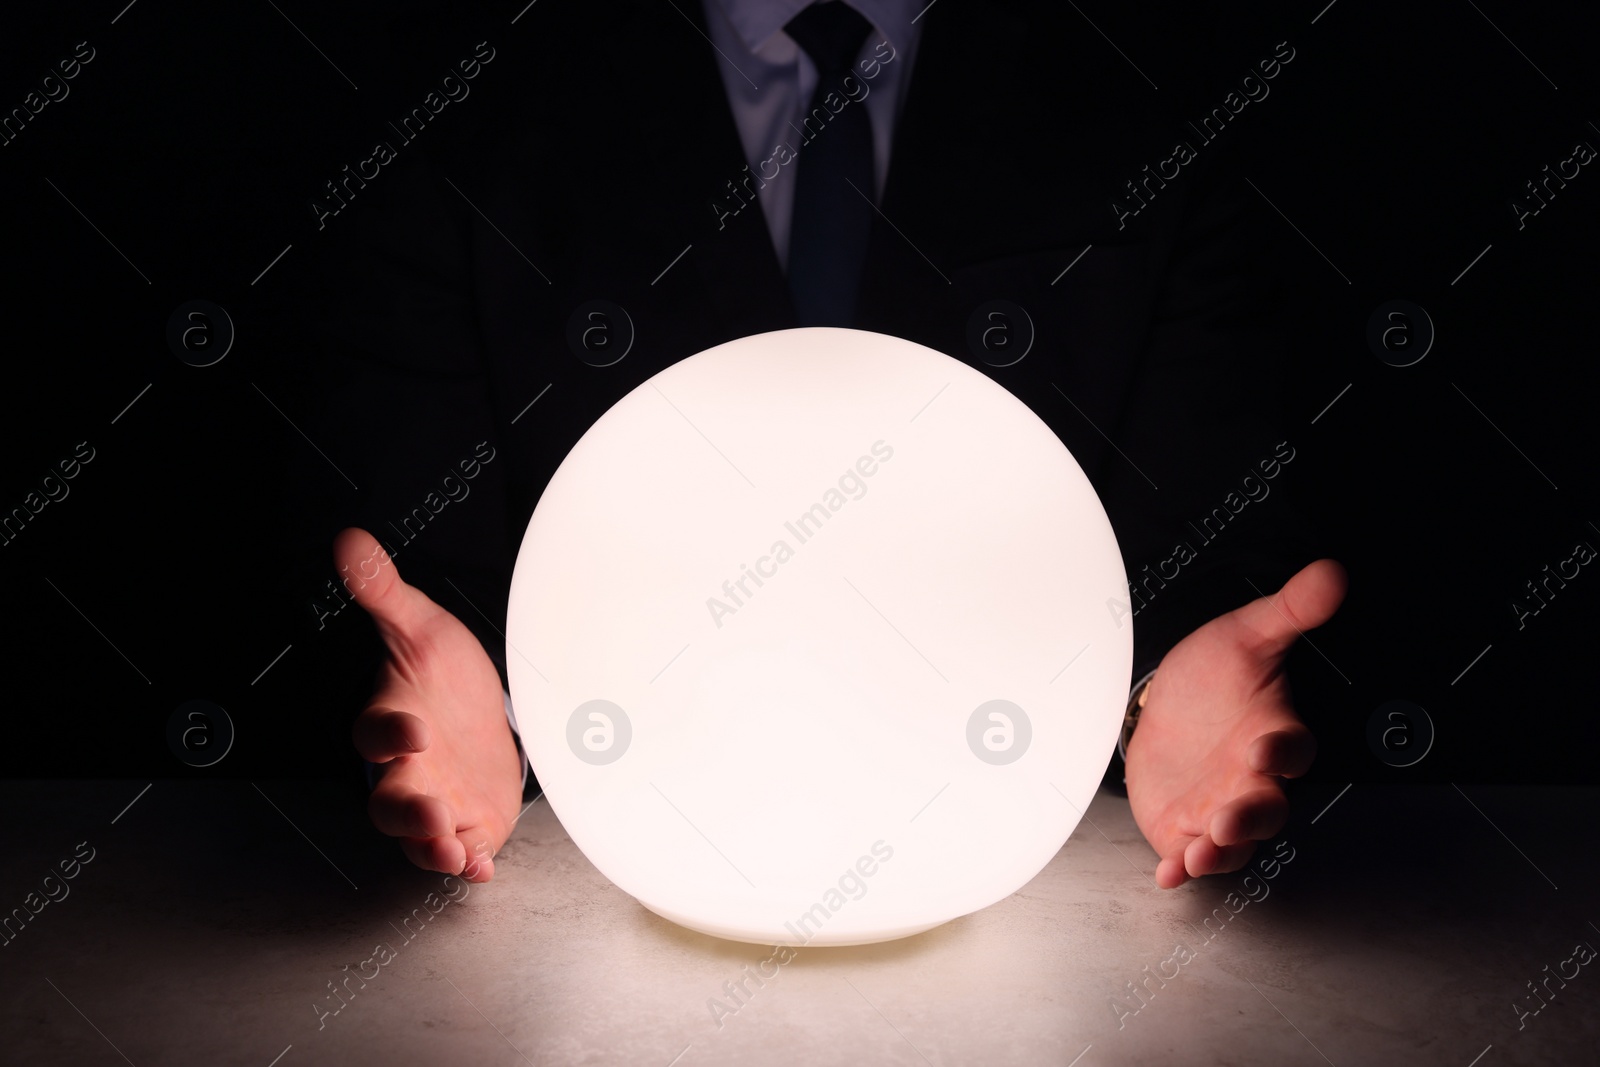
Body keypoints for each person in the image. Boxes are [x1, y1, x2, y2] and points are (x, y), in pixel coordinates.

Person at [306, 0, 1347, 892]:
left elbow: (1207, 503)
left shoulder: (1153, 76)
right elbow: (424, 541)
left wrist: (1163, 680)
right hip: (646, 816)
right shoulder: (472, 89)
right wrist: (471, 703)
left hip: (983, 823)